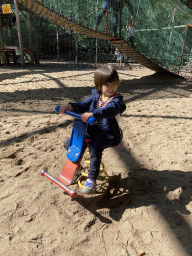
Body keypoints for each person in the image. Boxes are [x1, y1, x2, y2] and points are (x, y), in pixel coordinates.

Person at [60, 65, 126, 194]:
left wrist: (94, 114)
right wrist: (70, 106)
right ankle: (76, 169)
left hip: (109, 134)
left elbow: (109, 110)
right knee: (70, 143)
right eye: (108, 84)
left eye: (114, 84)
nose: (111, 88)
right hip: (92, 131)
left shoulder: (116, 101)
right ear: (99, 85)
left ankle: (91, 180)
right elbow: (83, 104)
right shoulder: (96, 96)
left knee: (95, 150)